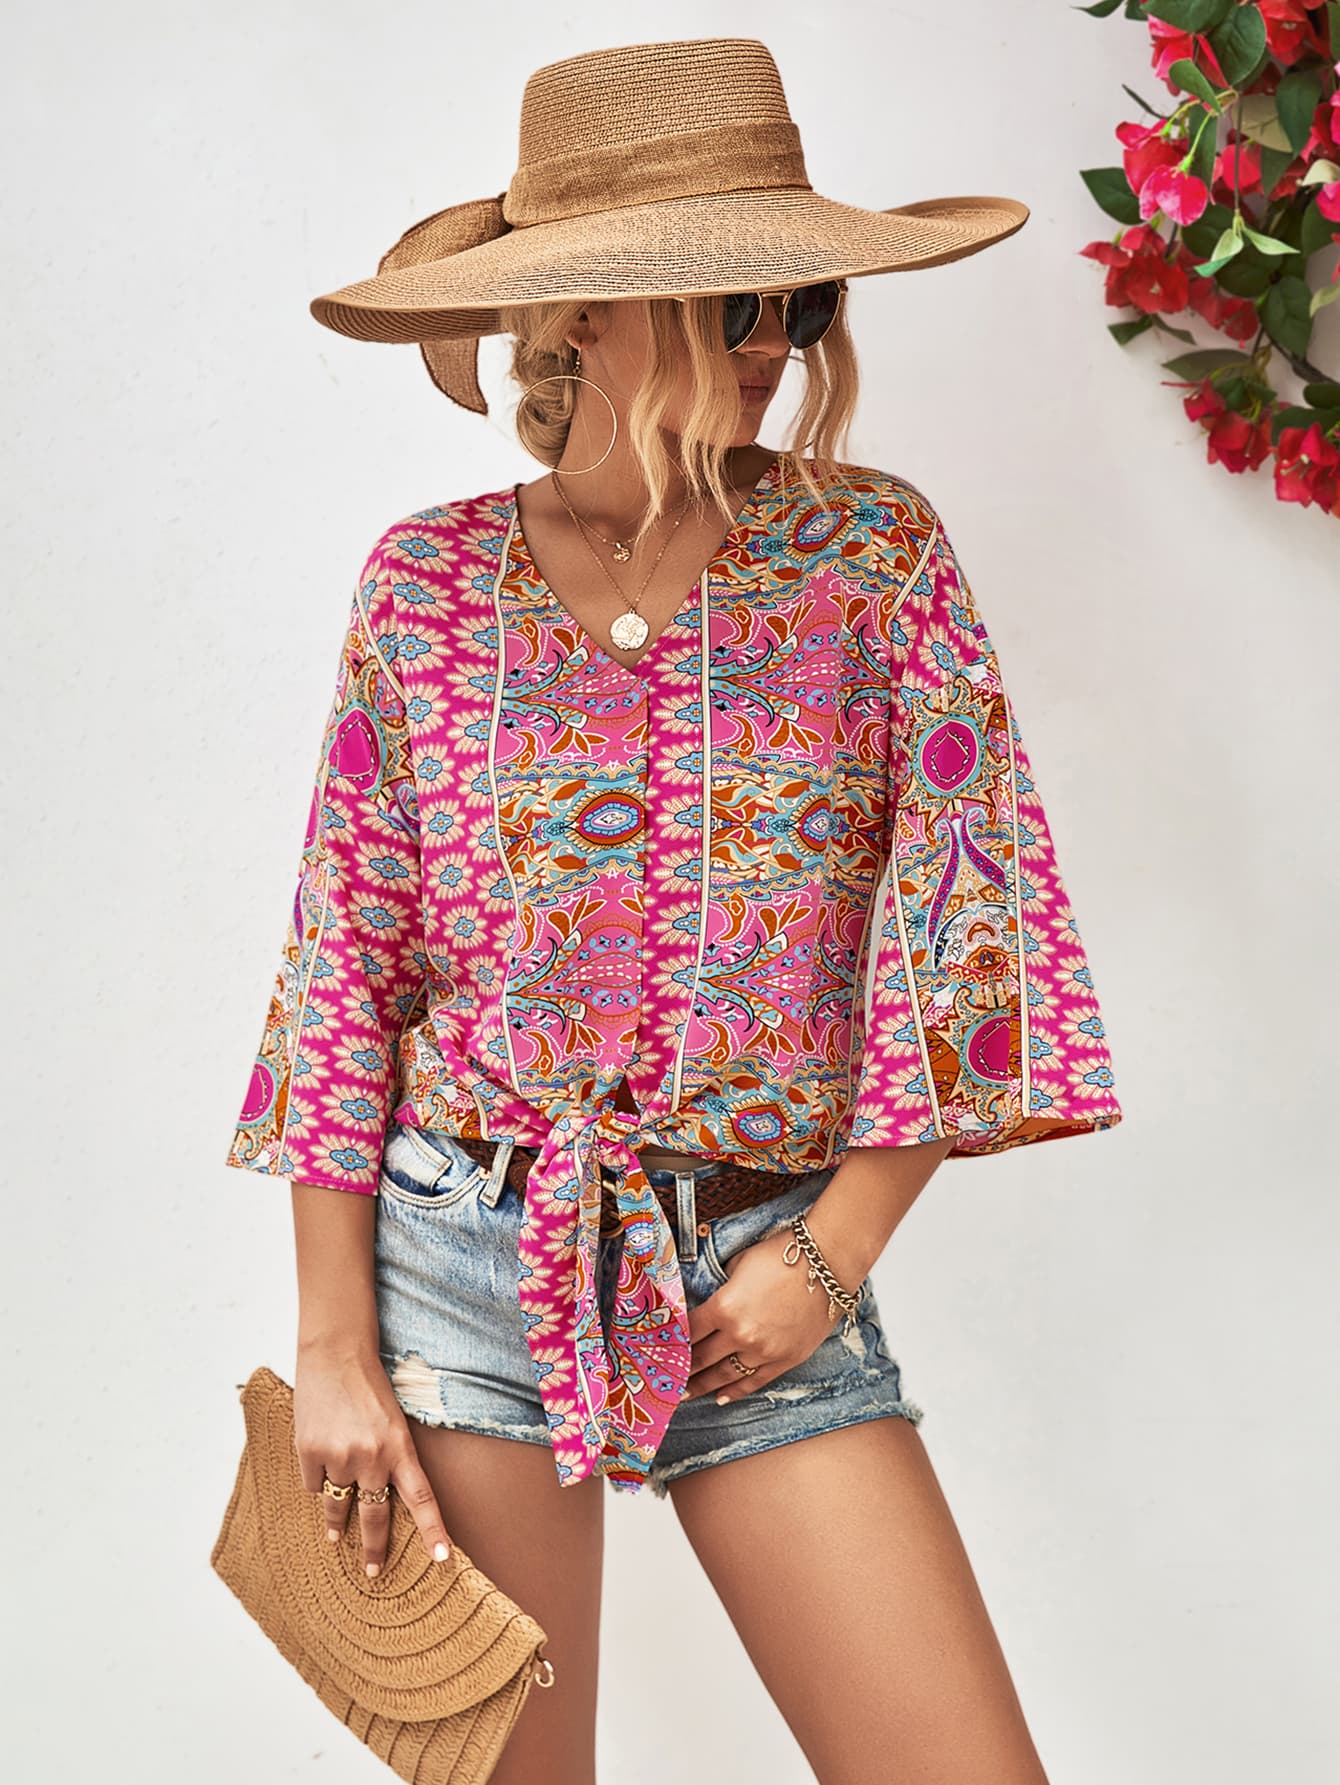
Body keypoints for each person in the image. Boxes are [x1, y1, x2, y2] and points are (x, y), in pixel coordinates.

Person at [223, 37, 1123, 1785]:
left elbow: (971, 931)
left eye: (798, 300)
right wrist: (334, 1352)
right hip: (467, 1257)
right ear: (579, 316)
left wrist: (831, 1251)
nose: (774, 345)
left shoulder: (875, 558)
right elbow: (344, 967)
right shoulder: (423, 586)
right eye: (730, 302)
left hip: (766, 1265)